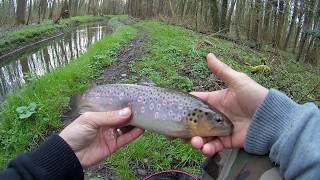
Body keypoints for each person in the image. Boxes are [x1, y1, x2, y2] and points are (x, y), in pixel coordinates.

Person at [0, 53, 319, 179]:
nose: (223, 125)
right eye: (219, 121)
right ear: (197, 117)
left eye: (219, 122)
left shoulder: (193, 119)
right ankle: (82, 102)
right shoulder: (192, 120)